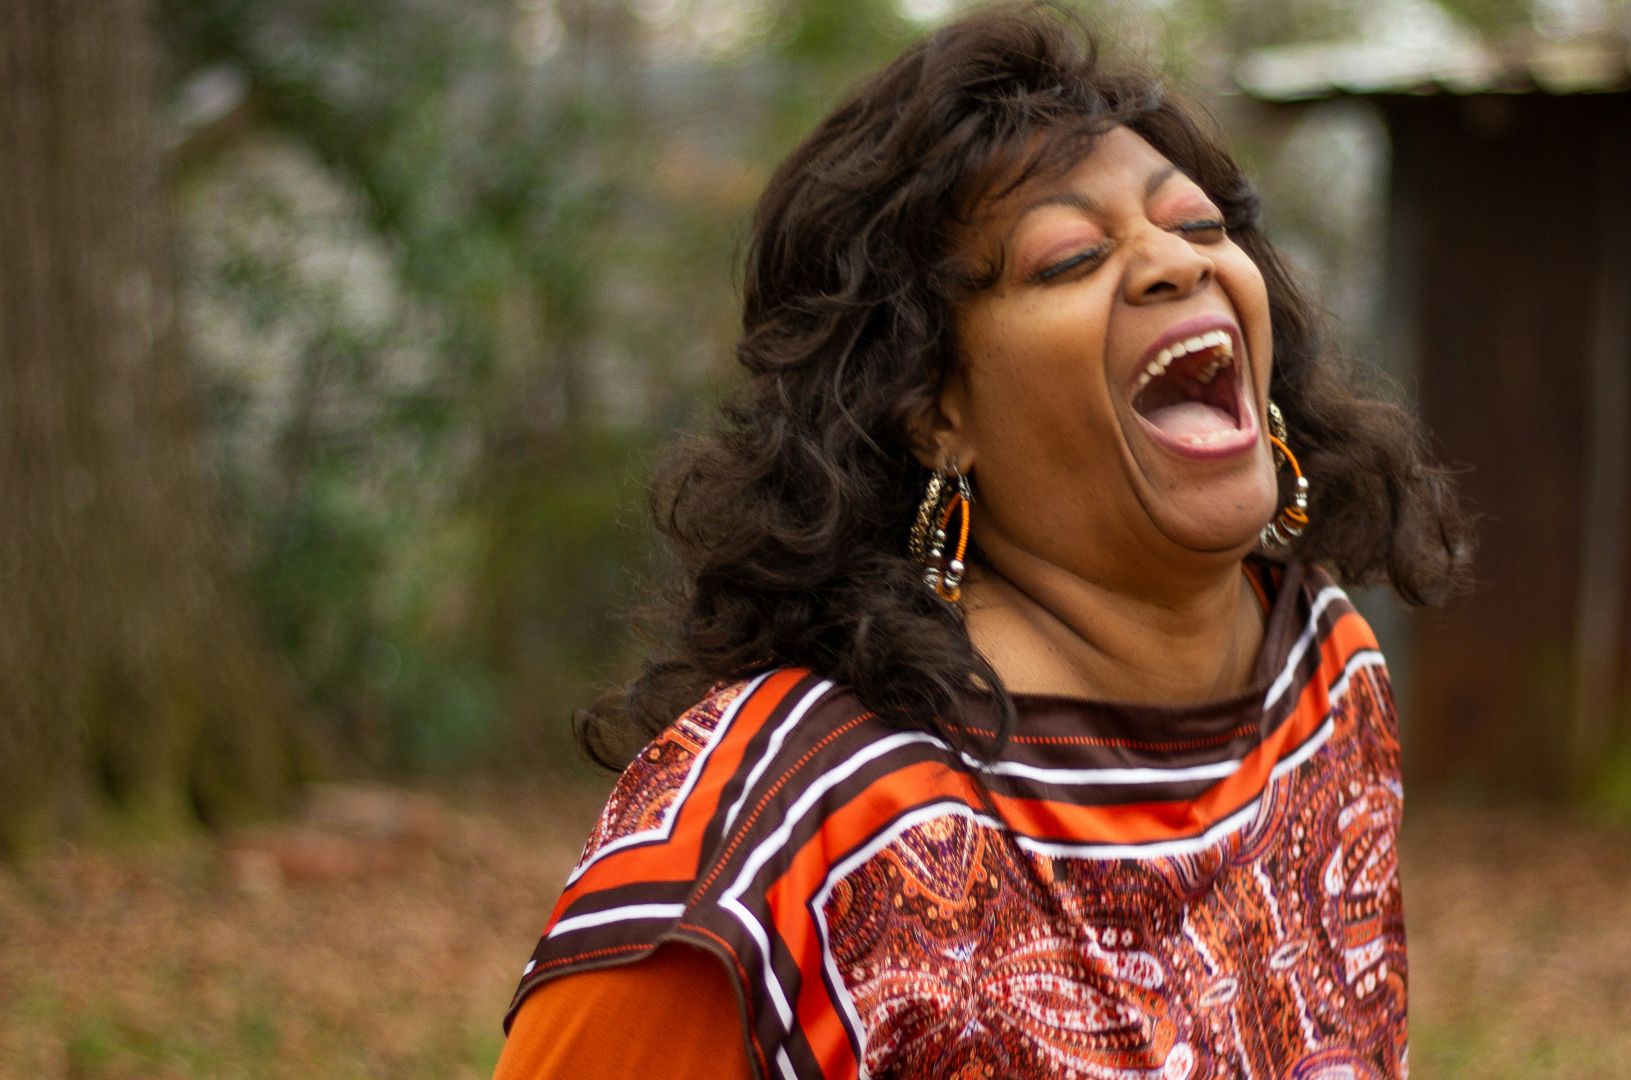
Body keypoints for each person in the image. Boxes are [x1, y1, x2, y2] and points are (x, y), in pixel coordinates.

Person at [493, 3, 1467, 1077]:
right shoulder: (772, 846)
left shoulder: (1327, 682)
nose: (1173, 265)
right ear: (931, 409)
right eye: (1067, 259)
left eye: (1197, 228)